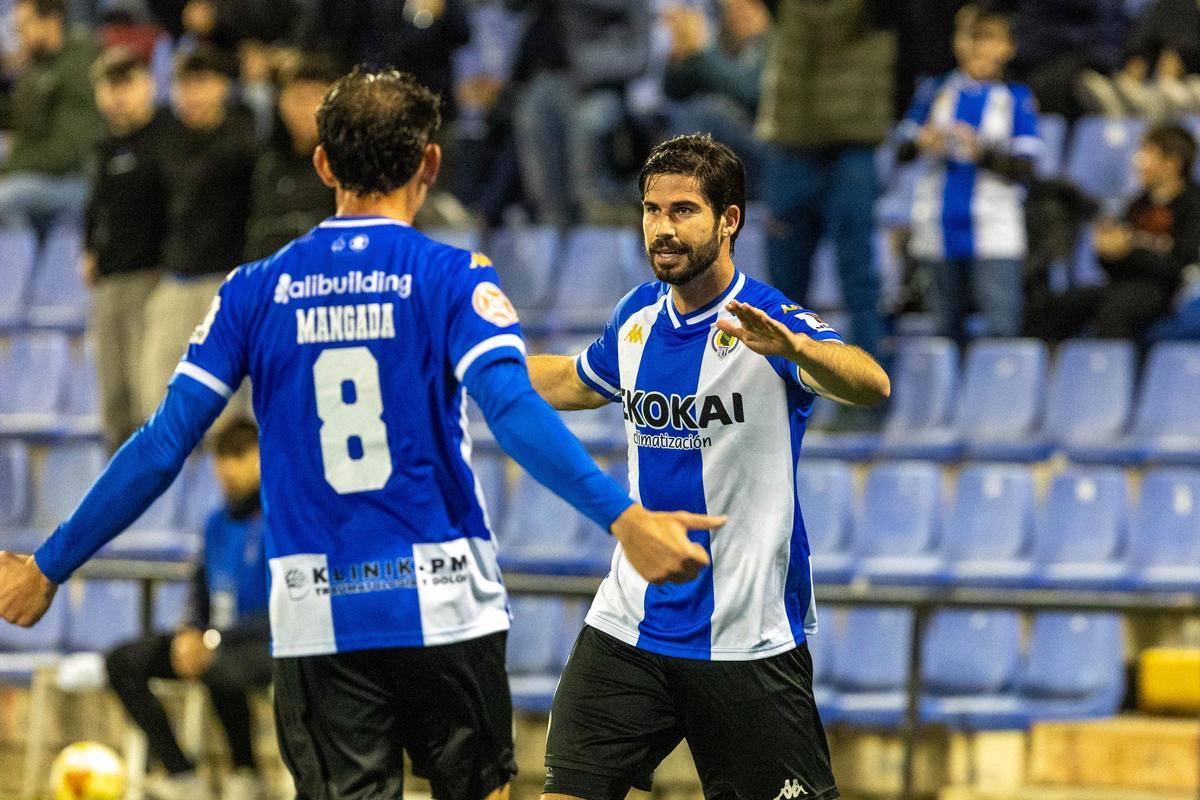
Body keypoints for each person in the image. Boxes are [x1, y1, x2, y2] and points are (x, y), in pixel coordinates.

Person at [0, 66, 721, 800]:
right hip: (445, 607)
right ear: (429, 164)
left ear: (322, 165)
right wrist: (623, 517)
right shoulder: (453, 276)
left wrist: (48, 565)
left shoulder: (253, 289)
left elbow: (161, 445)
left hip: (318, 618)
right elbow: (511, 409)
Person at [527, 133, 890, 800]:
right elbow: (577, 381)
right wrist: (475, 368)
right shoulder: (636, 316)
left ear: (730, 220)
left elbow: (870, 384)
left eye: (684, 210)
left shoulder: (770, 322)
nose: (662, 228)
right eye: (652, 210)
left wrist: (798, 350)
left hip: (745, 636)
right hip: (630, 624)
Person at [106, 418, 271, 800]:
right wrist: (189, 632)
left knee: (217, 666)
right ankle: (181, 773)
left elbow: (280, 611)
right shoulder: (215, 523)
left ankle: (246, 771)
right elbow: (200, 592)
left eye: (239, 456)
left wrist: (211, 640)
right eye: (222, 457)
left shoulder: (278, 522)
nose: (228, 468)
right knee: (123, 662)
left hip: (262, 644)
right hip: (212, 640)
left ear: (260, 458)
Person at [756, 0, 895, 360]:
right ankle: (784, 389)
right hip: (791, 145)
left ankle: (867, 387)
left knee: (859, 282)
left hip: (850, 147)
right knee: (783, 294)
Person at [899, 3, 1041, 342]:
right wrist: (922, 141)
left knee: (1001, 332)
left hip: (994, 227)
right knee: (943, 334)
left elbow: (1026, 167)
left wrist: (982, 153)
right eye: (972, 37)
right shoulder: (934, 91)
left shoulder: (1015, 98)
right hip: (937, 224)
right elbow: (901, 150)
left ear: (1008, 47)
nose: (979, 47)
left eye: (989, 38)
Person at [141, 45, 256, 423]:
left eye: (201, 83)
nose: (191, 95)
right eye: (184, 85)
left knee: (225, 411)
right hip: (174, 279)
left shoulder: (245, 142)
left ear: (223, 87)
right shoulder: (165, 142)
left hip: (223, 282)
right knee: (158, 402)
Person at [1025, 124, 1200, 343]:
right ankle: (1045, 362)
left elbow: (1181, 263)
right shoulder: (1138, 204)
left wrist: (1130, 250)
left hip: (1169, 292)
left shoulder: (1193, 204)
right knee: (1053, 307)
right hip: (1125, 286)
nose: (1138, 161)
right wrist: (1108, 252)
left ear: (1172, 163)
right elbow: (1114, 264)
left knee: (1115, 310)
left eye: (1148, 153)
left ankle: (1111, 364)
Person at [84, 49, 176, 453]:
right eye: (111, 85)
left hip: (153, 276)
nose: (118, 95)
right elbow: (94, 205)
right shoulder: (102, 146)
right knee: (114, 390)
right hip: (110, 279)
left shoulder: (168, 137)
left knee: (147, 388)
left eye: (127, 83)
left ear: (148, 85)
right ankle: (118, 472)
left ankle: (153, 471)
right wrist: (89, 248)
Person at [0, 0, 101, 233]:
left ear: (52, 21)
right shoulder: (37, 65)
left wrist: (9, 169)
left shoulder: (79, 64)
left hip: (75, 178)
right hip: (37, 175)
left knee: (5, 199)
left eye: (25, 24)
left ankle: (28, 256)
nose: (19, 34)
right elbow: (17, 120)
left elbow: (69, 149)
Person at [662, 0, 769, 196]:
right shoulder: (725, 44)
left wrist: (700, 53)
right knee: (690, 110)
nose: (740, 15)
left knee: (706, 111)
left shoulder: (773, 44)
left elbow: (751, 92)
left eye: (748, 8)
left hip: (763, 140)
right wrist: (679, 57)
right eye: (733, 10)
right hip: (729, 144)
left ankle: (678, 190)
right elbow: (675, 92)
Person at [242, 55, 339, 261]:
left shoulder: (346, 165)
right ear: (279, 101)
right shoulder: (262, 160)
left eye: (316, 97)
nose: (306, 109)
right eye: (298, 98)